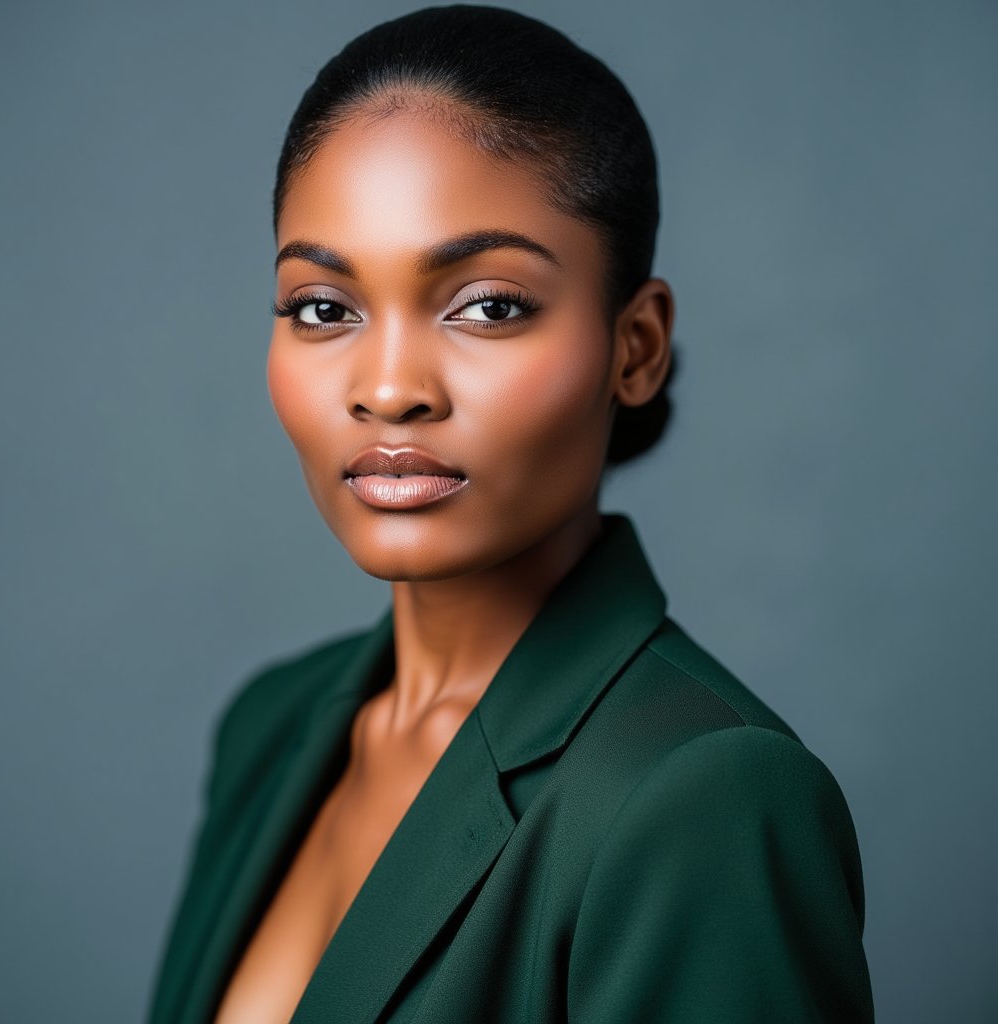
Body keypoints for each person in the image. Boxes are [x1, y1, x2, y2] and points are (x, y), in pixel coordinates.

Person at [146, 6, 874, 1022]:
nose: (389, 388)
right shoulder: (270, 729)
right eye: (323, 308)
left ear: (636, 346)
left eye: (487, 304)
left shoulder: (701, 798)